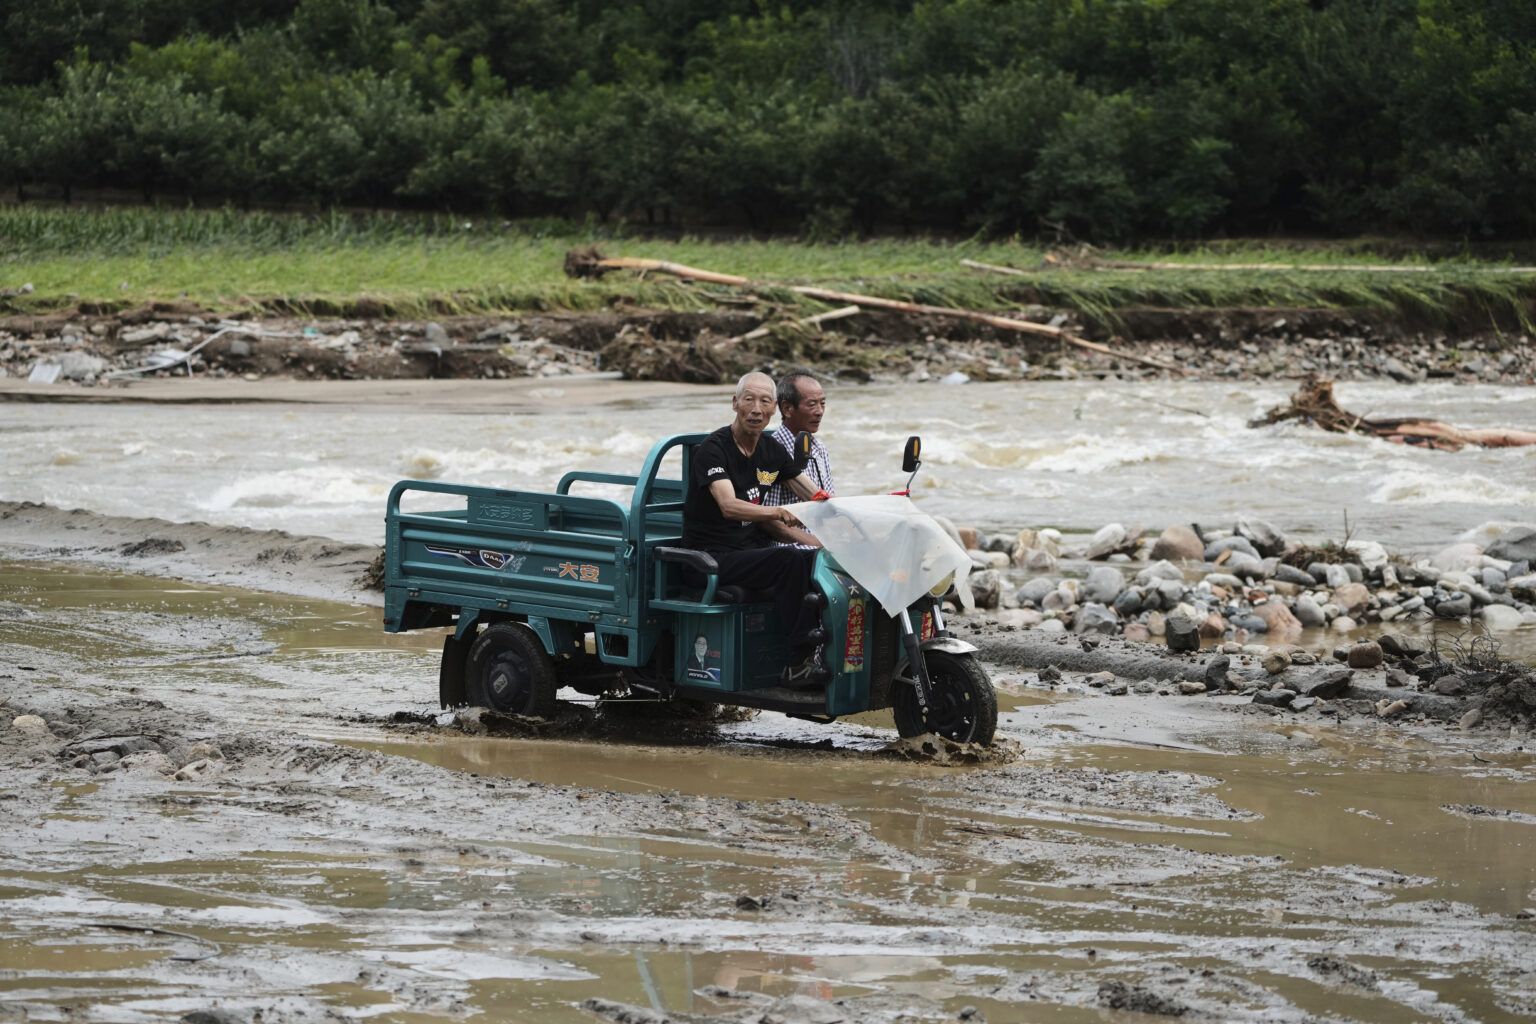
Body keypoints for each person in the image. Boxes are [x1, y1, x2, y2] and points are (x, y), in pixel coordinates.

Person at [682, 371, 827, 686]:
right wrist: (778, 511)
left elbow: (813, 495)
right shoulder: (713, 448)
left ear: (774, 408)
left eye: (765, 402)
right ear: (735, 403)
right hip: (707, 558)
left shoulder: (770, 450)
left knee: (814, 561)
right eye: (749, 399)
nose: (756, 409)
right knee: (788, 559)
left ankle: (823, 651)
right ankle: (797, 663)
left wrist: (849, 517)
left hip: (746, 554)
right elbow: (728, 506)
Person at [762, 370, 833, 535]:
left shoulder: (819, 448)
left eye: (822, 403)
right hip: (791, 545)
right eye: (811, 404)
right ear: (787, 408)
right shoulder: (772, 448)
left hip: (821, 539)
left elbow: (829, 504)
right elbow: (768, 519)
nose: (819, 411)